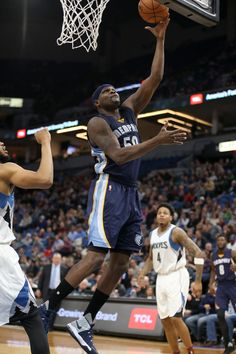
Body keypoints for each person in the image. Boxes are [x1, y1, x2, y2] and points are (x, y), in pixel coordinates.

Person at [40, 18, 187, 354]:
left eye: (113, 89)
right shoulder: (97, 122)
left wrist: (161, 40)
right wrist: (158, 141)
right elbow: (119, 157)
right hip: (110, 189)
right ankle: (49, 308)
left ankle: (84, 322)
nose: (112, 91)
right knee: (95, 258)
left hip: (132, 194)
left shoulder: (130, 111)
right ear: (96, 102)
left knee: (121, 263)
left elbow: (156, 79)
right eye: (104, 91)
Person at [0, 128, 53, 354]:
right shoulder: (5, 170)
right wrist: (45, 143)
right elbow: (45, 179)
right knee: (32, 317)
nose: (3, 143)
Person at [140, 203, 204, 354]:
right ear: (156, 217)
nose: (162, 214)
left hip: (177, 275)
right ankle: (175, 352)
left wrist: (198, 281)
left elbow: (198, 253)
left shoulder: (177, 232)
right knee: (165, 321)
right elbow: (150, 258)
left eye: (165, 213)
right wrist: (142, 273)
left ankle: (190, 351)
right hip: (161, 278)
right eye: (159, 212)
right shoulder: (153, 234)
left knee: (176, 318)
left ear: (171, 217)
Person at [209, 234, 236, 354]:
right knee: (220, 315)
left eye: (223, 239)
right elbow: (212, 271)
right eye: (218, 239)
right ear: (216, 242)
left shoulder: (233, 253)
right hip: (220, 287)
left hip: (233, 285)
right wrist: (211, 284)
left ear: (226, 241)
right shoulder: (213, 255)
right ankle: (228, 344)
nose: (220, 241)